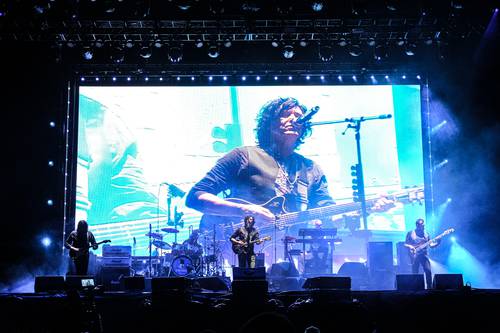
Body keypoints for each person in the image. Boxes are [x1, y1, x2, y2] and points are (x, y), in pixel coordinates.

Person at [186, 97, 393, 258]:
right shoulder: (244, 156)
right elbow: (195, 197)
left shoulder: (311, 169)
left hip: (286, 254)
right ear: (269, 123)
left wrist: (364, 208)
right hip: (236, 248)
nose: (294, 119)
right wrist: (246, 210)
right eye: (286, 114)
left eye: (299, 116)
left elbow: (329, 217)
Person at [404, 218, 441, 288]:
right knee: (415, 273)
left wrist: (438, 243)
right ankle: (416, 288)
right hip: (414, 255)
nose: (423, 227)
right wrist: (410, 247)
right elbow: (405, 244)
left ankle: (429, 288)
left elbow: (431, 245)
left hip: (424, 255)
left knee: (428, 271)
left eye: (424, 225)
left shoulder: (426, 234)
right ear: (417, 225)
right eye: (422, 225)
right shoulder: (411, 233)